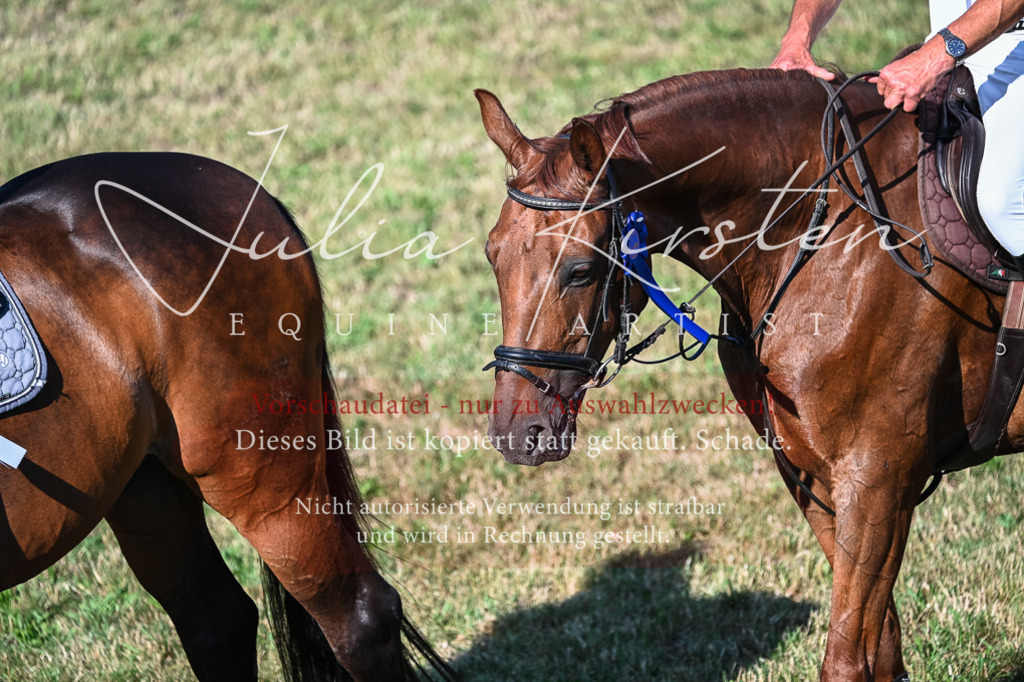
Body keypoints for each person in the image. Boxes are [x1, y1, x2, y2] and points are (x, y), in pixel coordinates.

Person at [771, 0, 1024, 261]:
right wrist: (796, 40)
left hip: (1014, 46)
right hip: (948, 41)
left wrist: (935, 56)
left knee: (1003, 206)